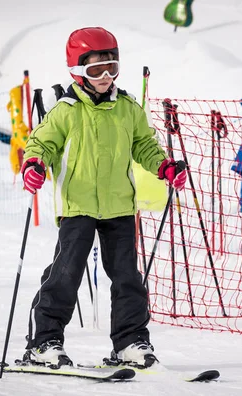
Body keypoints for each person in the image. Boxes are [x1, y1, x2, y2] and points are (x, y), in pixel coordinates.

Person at [20, 27, 187, 368]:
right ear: (77, 71)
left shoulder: (127, 108)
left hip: (119, 207)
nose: (105, 76)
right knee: (65, 274)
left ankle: (130, 343)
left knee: (127, 277)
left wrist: (164, 167)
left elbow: (144, 145)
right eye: (96, 70)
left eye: (112, 67)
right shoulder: (66, 110)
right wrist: (34, 165)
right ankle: (44, 342)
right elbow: (41, 144)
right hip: (78, 206)